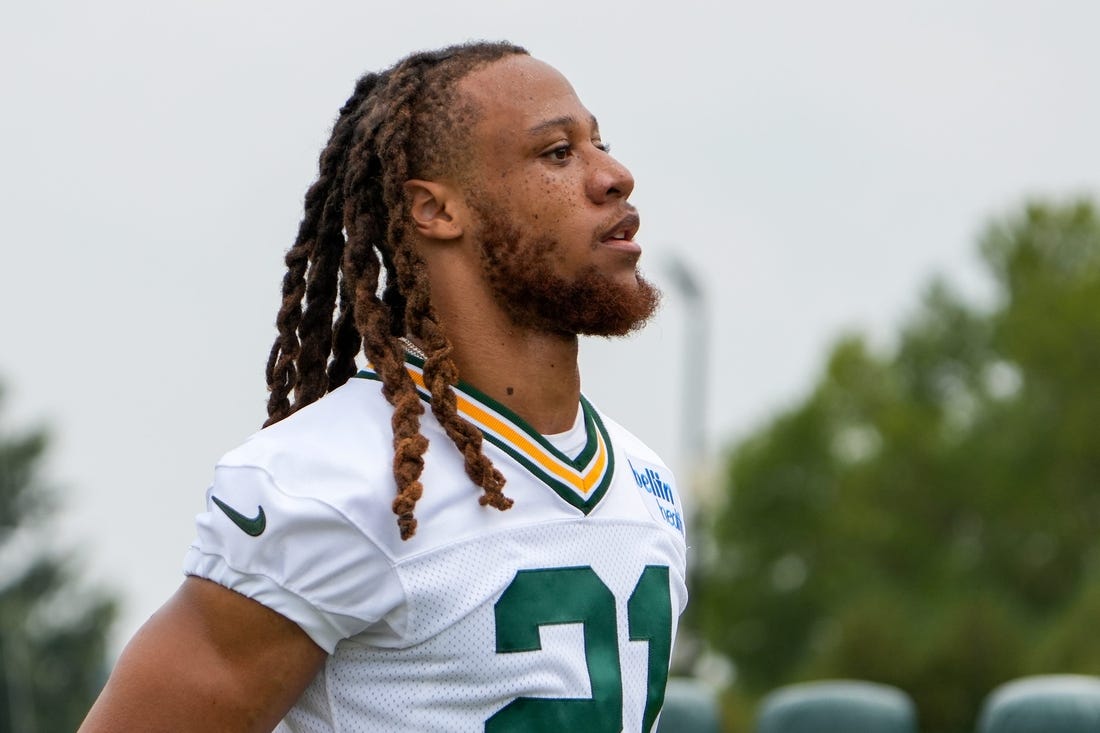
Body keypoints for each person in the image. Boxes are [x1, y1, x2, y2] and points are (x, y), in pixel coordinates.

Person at [80, 40, 688, 732]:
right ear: (434, 210)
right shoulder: (327, 483)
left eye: (600, 143)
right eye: (558, 153)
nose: (614, 175)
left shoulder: (645, 480)